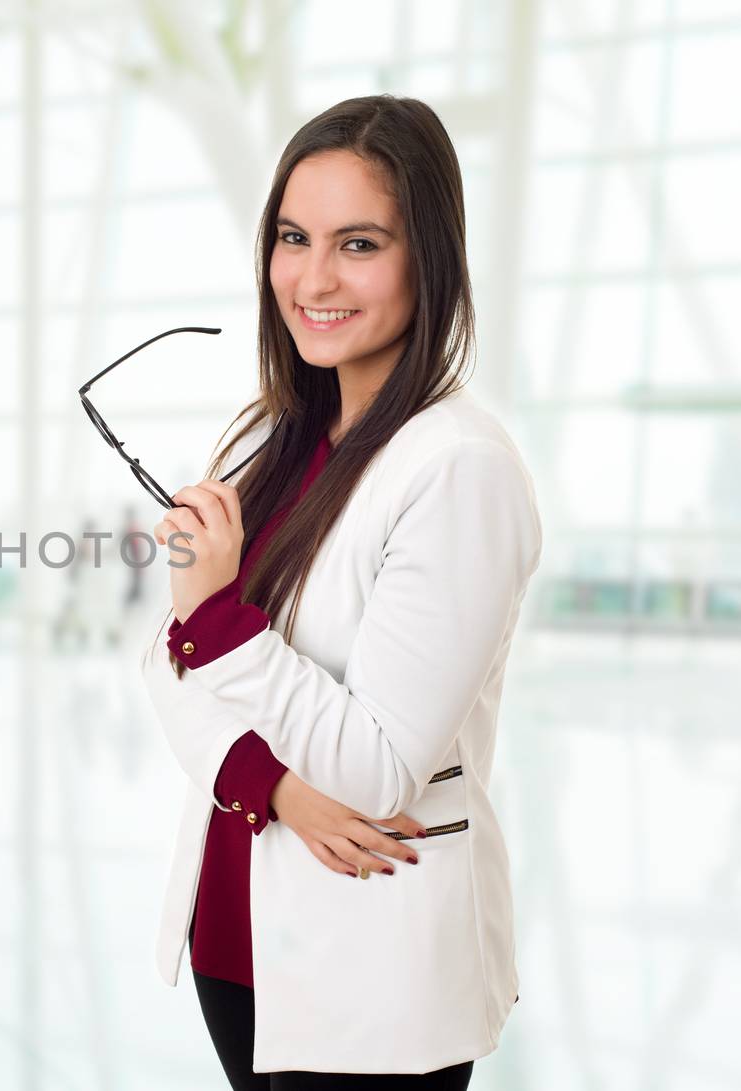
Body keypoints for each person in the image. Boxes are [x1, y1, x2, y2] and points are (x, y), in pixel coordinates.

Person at [136, 94, 543, 1088]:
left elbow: (375, 767)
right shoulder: (262, 441)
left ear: (427, 256)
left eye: (357, 243)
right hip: (236, 939)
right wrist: (266, 785)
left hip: (372, 955)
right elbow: (164, 659)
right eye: (291, 237)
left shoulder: (458, 468)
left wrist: (221, 619)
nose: (311, 278)